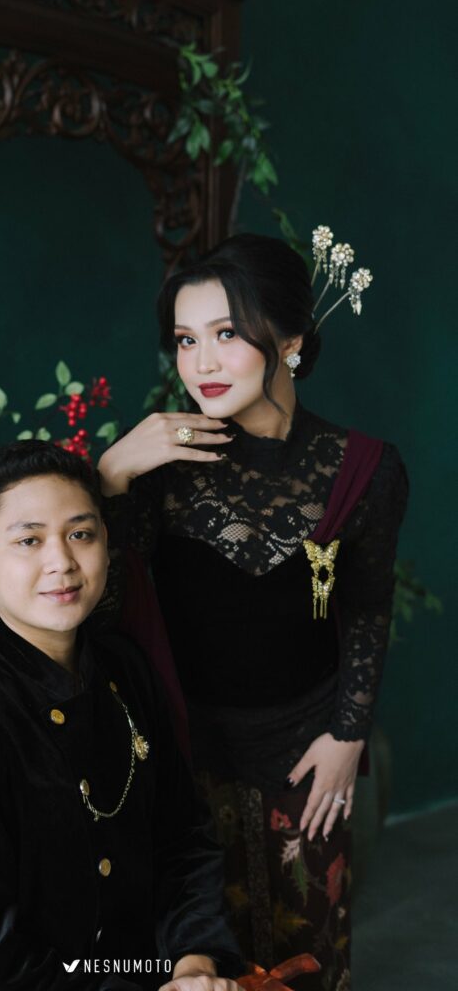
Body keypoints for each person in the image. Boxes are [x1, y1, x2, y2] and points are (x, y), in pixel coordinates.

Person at [96, 233, 408, 991]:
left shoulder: (364, 468)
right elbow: (102, 615)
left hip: (306, 742)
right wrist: (109, 475)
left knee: (309, 954)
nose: (200, 362)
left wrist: (347, 734)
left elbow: (367, 606)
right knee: (205, 960)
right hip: (184, 751)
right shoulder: (157, 464)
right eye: (185, 340)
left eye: (226, 334)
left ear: (290, 342)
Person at [0, 441, 245, 991]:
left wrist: (193, 963)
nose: (62, 563)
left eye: (81, 534)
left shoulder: (125, 668)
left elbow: (183, 838)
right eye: (29, 540)